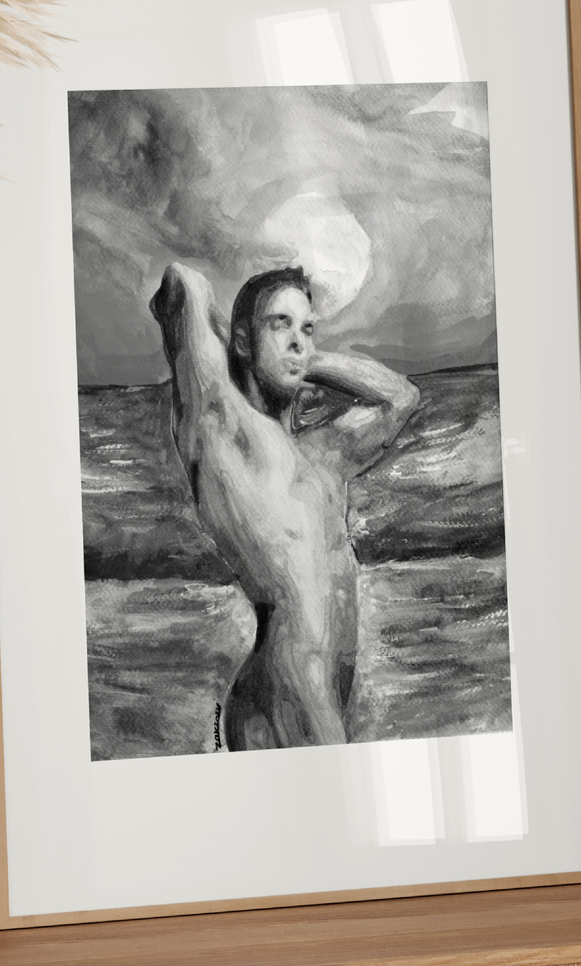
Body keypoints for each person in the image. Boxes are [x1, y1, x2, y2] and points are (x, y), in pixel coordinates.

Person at [150, 262, 420, 751]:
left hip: (308, 693)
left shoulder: (322, 452)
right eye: (281, 324)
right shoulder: (224, 426)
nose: (299, 339)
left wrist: (301, 358)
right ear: (242, 341)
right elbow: (182, 282)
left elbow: (400, 398)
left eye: (308, 329)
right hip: (289, 691)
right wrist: (249, 352)